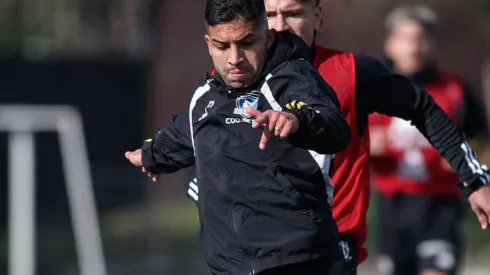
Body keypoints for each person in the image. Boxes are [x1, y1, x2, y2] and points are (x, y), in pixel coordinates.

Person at [182, 0, 490, 274]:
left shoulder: (352, 72)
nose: (280, 25)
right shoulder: (225, 84)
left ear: (316, 16)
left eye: (292, 14)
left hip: (330, 248)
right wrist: (210, 194)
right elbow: (189, 146)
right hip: (251, 256)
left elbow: (423, 108)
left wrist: (473, 178)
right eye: (270, 14)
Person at [126, 0, 352, 274]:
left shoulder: (292, 79)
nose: (235, 58)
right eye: (222, 46)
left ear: (268, 37)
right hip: (228, 267)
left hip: (299, 260)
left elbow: (334, 128)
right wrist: (150, 156)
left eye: (246, 43)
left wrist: (297, 122)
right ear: (209, 43)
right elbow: (178, 136)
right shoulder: (204, 96)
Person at [369, 5, 488, 275]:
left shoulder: (456, 91)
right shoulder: (372, 91)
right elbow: (341, 141)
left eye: (420, 38)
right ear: (390, 44)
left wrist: (466, 159)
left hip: (440, 206)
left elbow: (481, 141)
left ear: (432, 44)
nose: (414, 46)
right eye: (405, 38)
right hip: (392, 206)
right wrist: (366, 145)